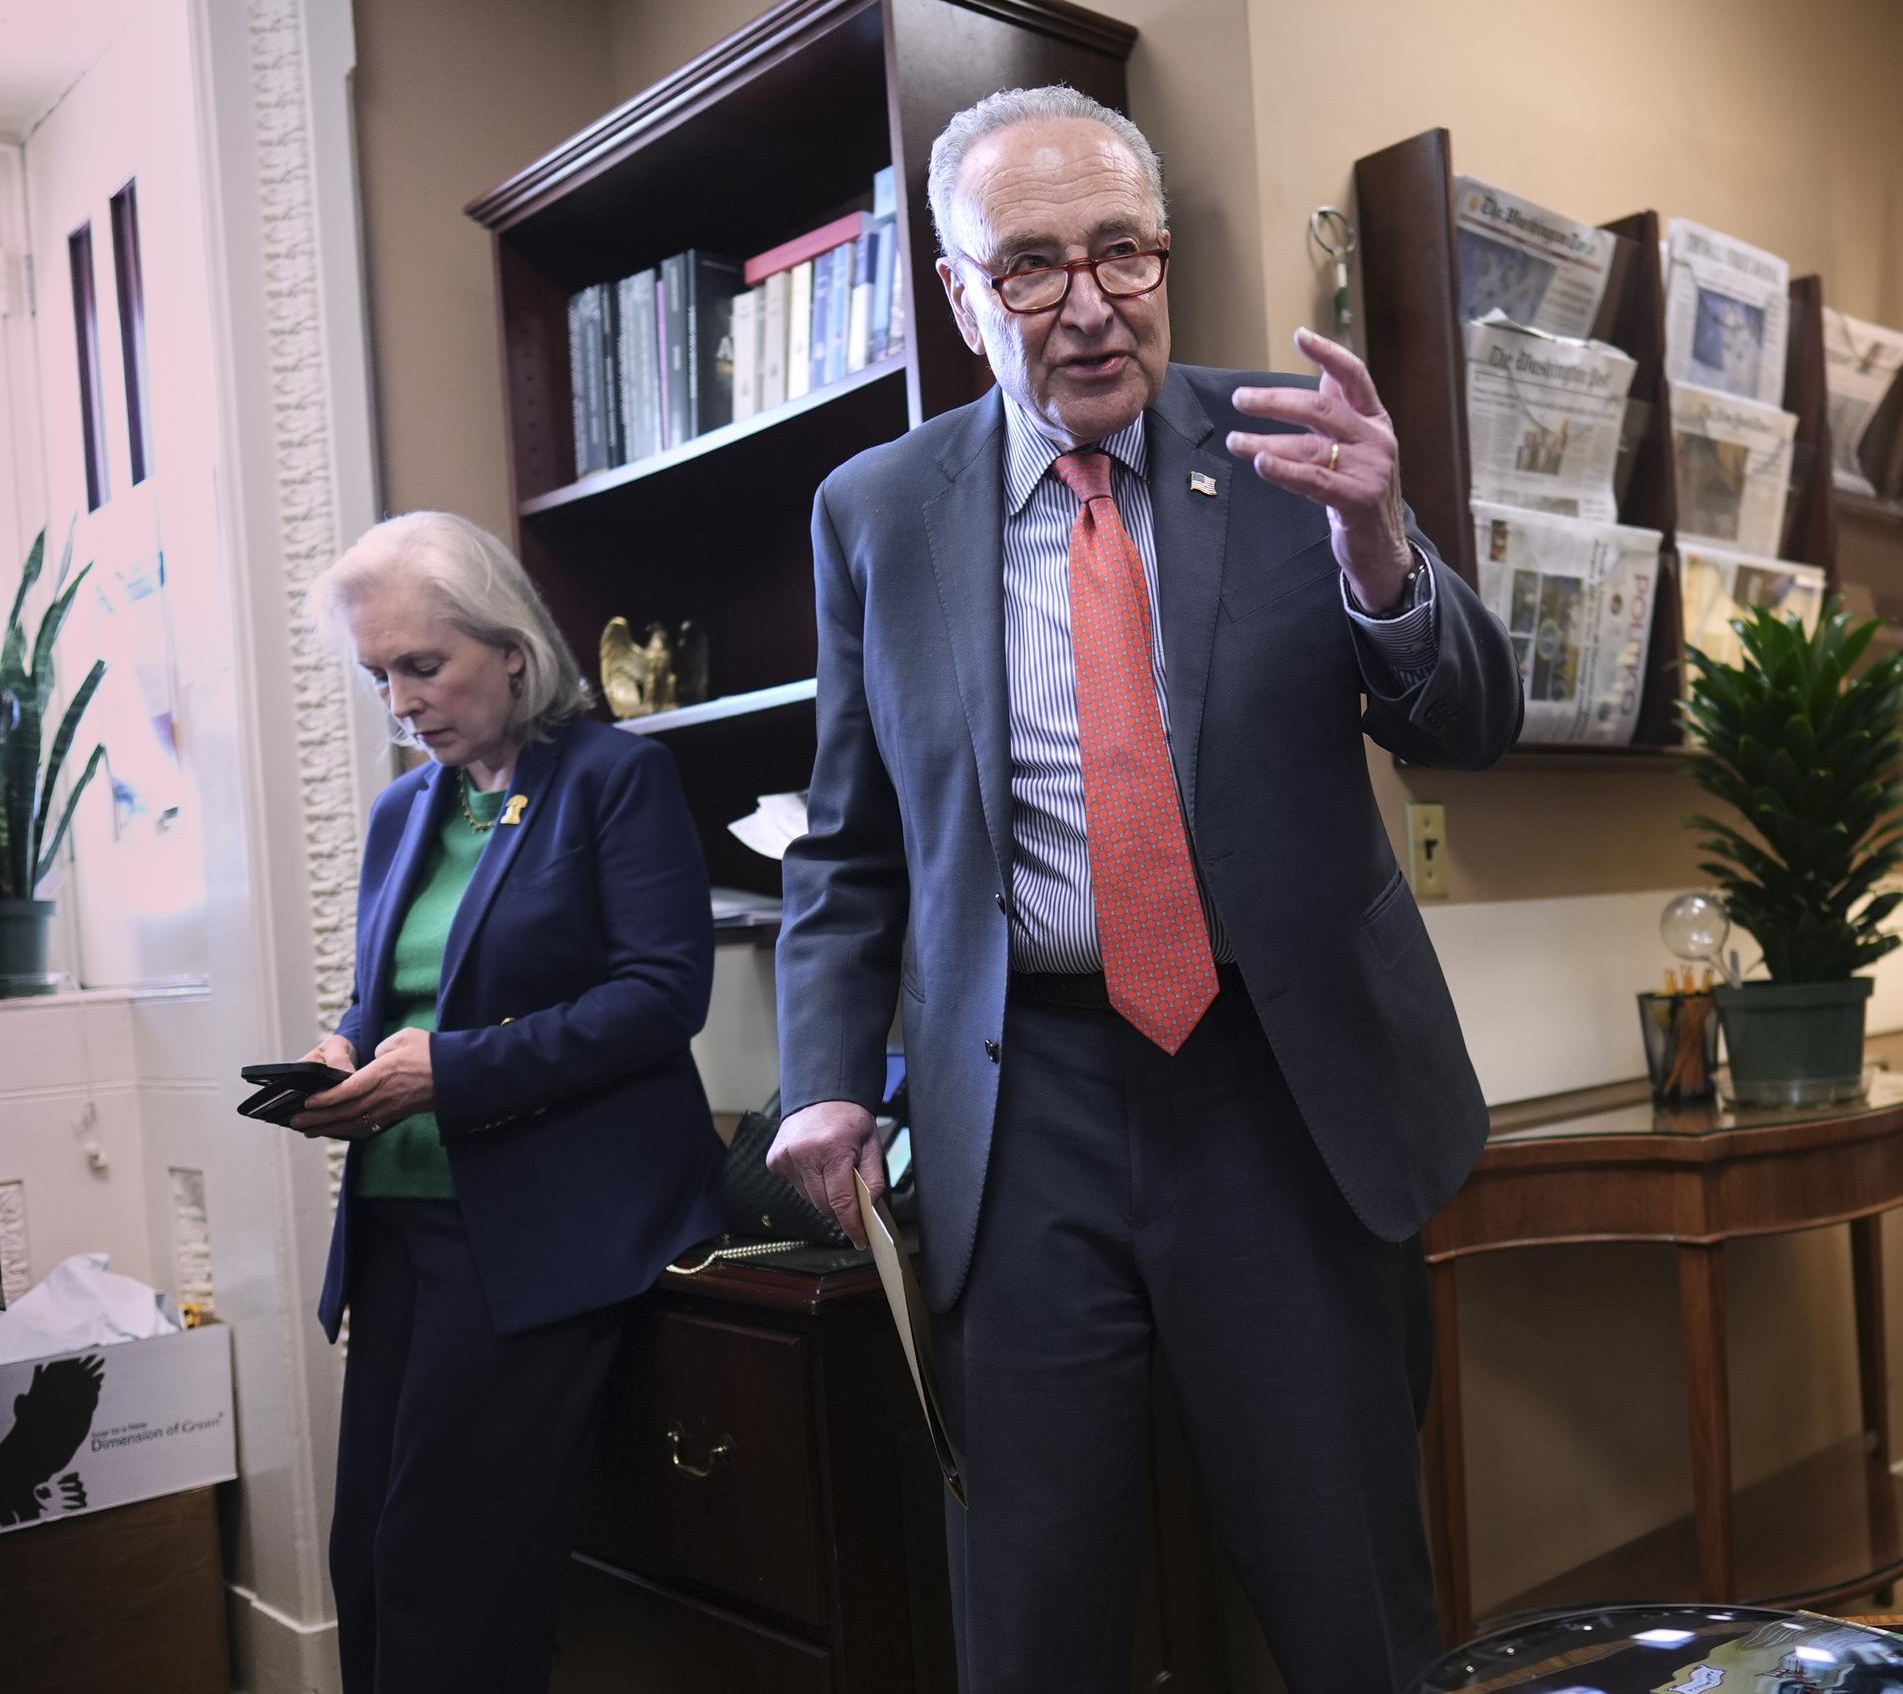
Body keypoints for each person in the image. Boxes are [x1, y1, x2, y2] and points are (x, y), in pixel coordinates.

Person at [766, 85, 1520, 1692]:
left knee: (1347, 1596)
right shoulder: (875, 513)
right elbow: (847, 843)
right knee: (1032, 1609)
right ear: (959, 295)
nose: (1092, 303)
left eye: (1123, 250)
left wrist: (1382, 549)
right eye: (1031, 266)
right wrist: (822, 1083)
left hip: (1278, 1086)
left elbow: (1470, 724)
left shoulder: (1287, 446)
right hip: (1016, 1098)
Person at [295, 511, 723, 1694]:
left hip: (540, 1233)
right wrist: (342, 1047)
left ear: (515, 652)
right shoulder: (404, 811)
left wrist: (451, 1068)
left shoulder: (614, 777)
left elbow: (659, 996)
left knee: (450, 1575)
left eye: (423, 666)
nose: (400, 700)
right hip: (399, 1224)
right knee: (369, 1561)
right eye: (380, 674)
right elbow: (384, 990)